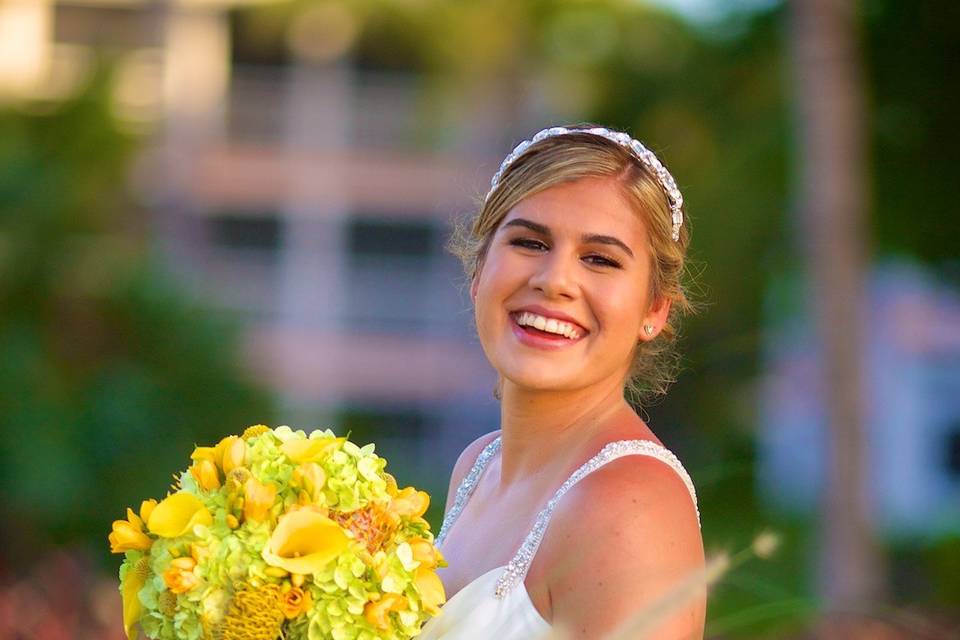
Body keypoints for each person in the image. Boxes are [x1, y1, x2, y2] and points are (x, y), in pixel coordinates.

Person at [418, 125, 704, 639]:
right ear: (480, 270)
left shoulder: (629, 506)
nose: (554, 281)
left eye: (599, 259)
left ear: (654, 308)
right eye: (530, 242)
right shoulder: (479, 465)